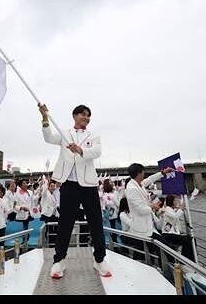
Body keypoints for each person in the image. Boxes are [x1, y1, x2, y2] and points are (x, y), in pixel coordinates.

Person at [38, 103, 111, 278]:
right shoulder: (65, 134)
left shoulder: (93, 135)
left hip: (88, 185)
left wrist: (80, 149)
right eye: (83, 115)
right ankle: (59, 261)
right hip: (69, 185)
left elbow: (97, 152)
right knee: (65, 223)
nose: (86, 118)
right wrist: (45, 117)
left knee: (95, 222)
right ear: (75, 116)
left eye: (88, 116)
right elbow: (48, 138)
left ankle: (99, 259)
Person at [125, 163, 174, 258]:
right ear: (139, 173)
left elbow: (150, 179)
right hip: (141, 227)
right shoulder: (131, 189)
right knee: (161, 249)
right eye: (143, 172)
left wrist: (163, 173)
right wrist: (153, 207)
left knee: (143, 252)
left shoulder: (139, 184)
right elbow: (141, 209)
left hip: (147, 226)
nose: (144, 174)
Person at [158, 194, 195, 261]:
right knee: (188, 239)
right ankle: (187, 260)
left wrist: (179, 208)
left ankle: (187, 259)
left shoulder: (171, 209)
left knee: (189, 239)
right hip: (168, 235)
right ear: (172, 201)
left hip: (172, 234)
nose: (176, 202)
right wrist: (180, 209)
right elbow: (175, 216)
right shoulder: (167, 209)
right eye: (175, 200)